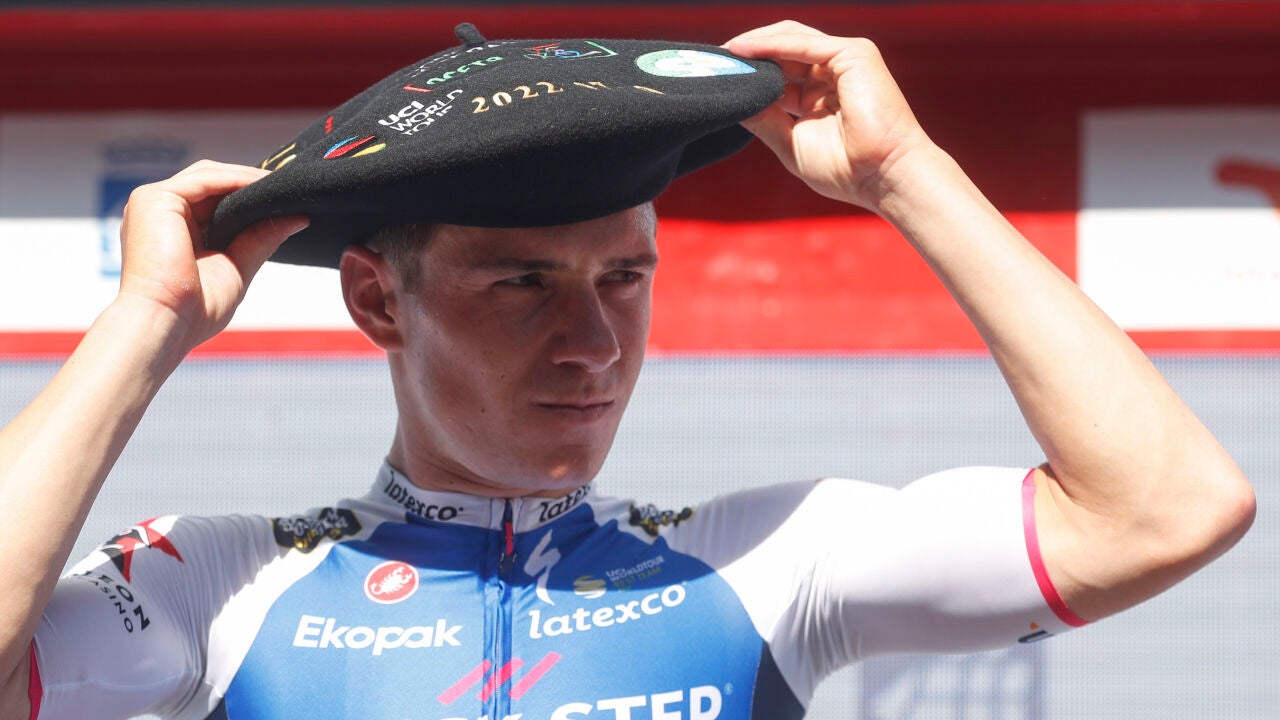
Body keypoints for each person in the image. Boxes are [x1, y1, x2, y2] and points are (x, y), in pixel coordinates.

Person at [0, 21, 1255, 720]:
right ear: (378, 299)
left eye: (623, 278)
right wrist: (144, 326)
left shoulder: (768, 562)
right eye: (522, 284)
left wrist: (903, 179)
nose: (593, 343)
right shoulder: (217, 582)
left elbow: (1163, 512)